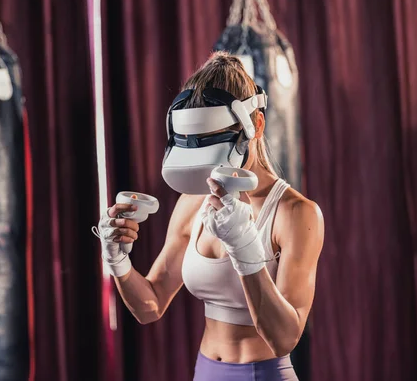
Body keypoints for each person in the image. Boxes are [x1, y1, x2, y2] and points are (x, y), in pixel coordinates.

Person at [95, 52, 325, 380]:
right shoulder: (194, 201)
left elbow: (285, 338)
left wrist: (245, 248)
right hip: (205, 371)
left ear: (255, 124)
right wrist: (117, 260)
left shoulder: (296, 214)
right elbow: (150, 305)